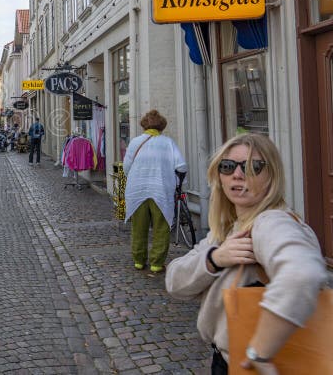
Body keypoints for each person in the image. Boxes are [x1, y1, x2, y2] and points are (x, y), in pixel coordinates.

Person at [166, 133, 327, 374]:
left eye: (253, 166)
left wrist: (260, 352)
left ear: (271, 175)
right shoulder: (229, 228)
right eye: (228, 166)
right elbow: (174, 281)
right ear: (218, 175)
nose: (238, 174)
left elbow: (302, 274)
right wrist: (215, 259)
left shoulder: (270, 223)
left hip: (252, 364)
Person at [122, 110, 187, 273]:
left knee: (138, 227)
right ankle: (157, 263)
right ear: (161, 126)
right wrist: (178, 183)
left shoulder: (135, 142)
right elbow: (181, 166)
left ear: (144, 124)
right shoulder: (168, 143)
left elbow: (126, 167)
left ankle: (138, 260)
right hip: (161, 189)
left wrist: (139, 176)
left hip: (137, 190)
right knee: (161, 226)